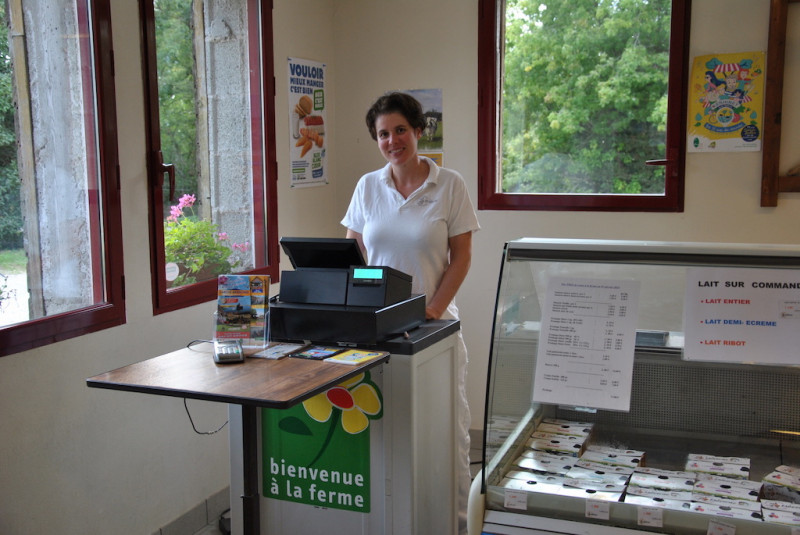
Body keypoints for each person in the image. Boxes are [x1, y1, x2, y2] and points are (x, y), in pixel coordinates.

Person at [341, 91, 480, 534]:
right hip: (379, 332)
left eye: (400, 130)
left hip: (432, 331)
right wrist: (365, 299)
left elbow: (461, 257)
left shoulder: (449, 184)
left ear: (419, 131)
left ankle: (453, 524)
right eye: (383, 134)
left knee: (443, 433)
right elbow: (353, 250)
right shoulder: (368, 186)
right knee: (387, 432)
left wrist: (434, 310)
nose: (392, 140)